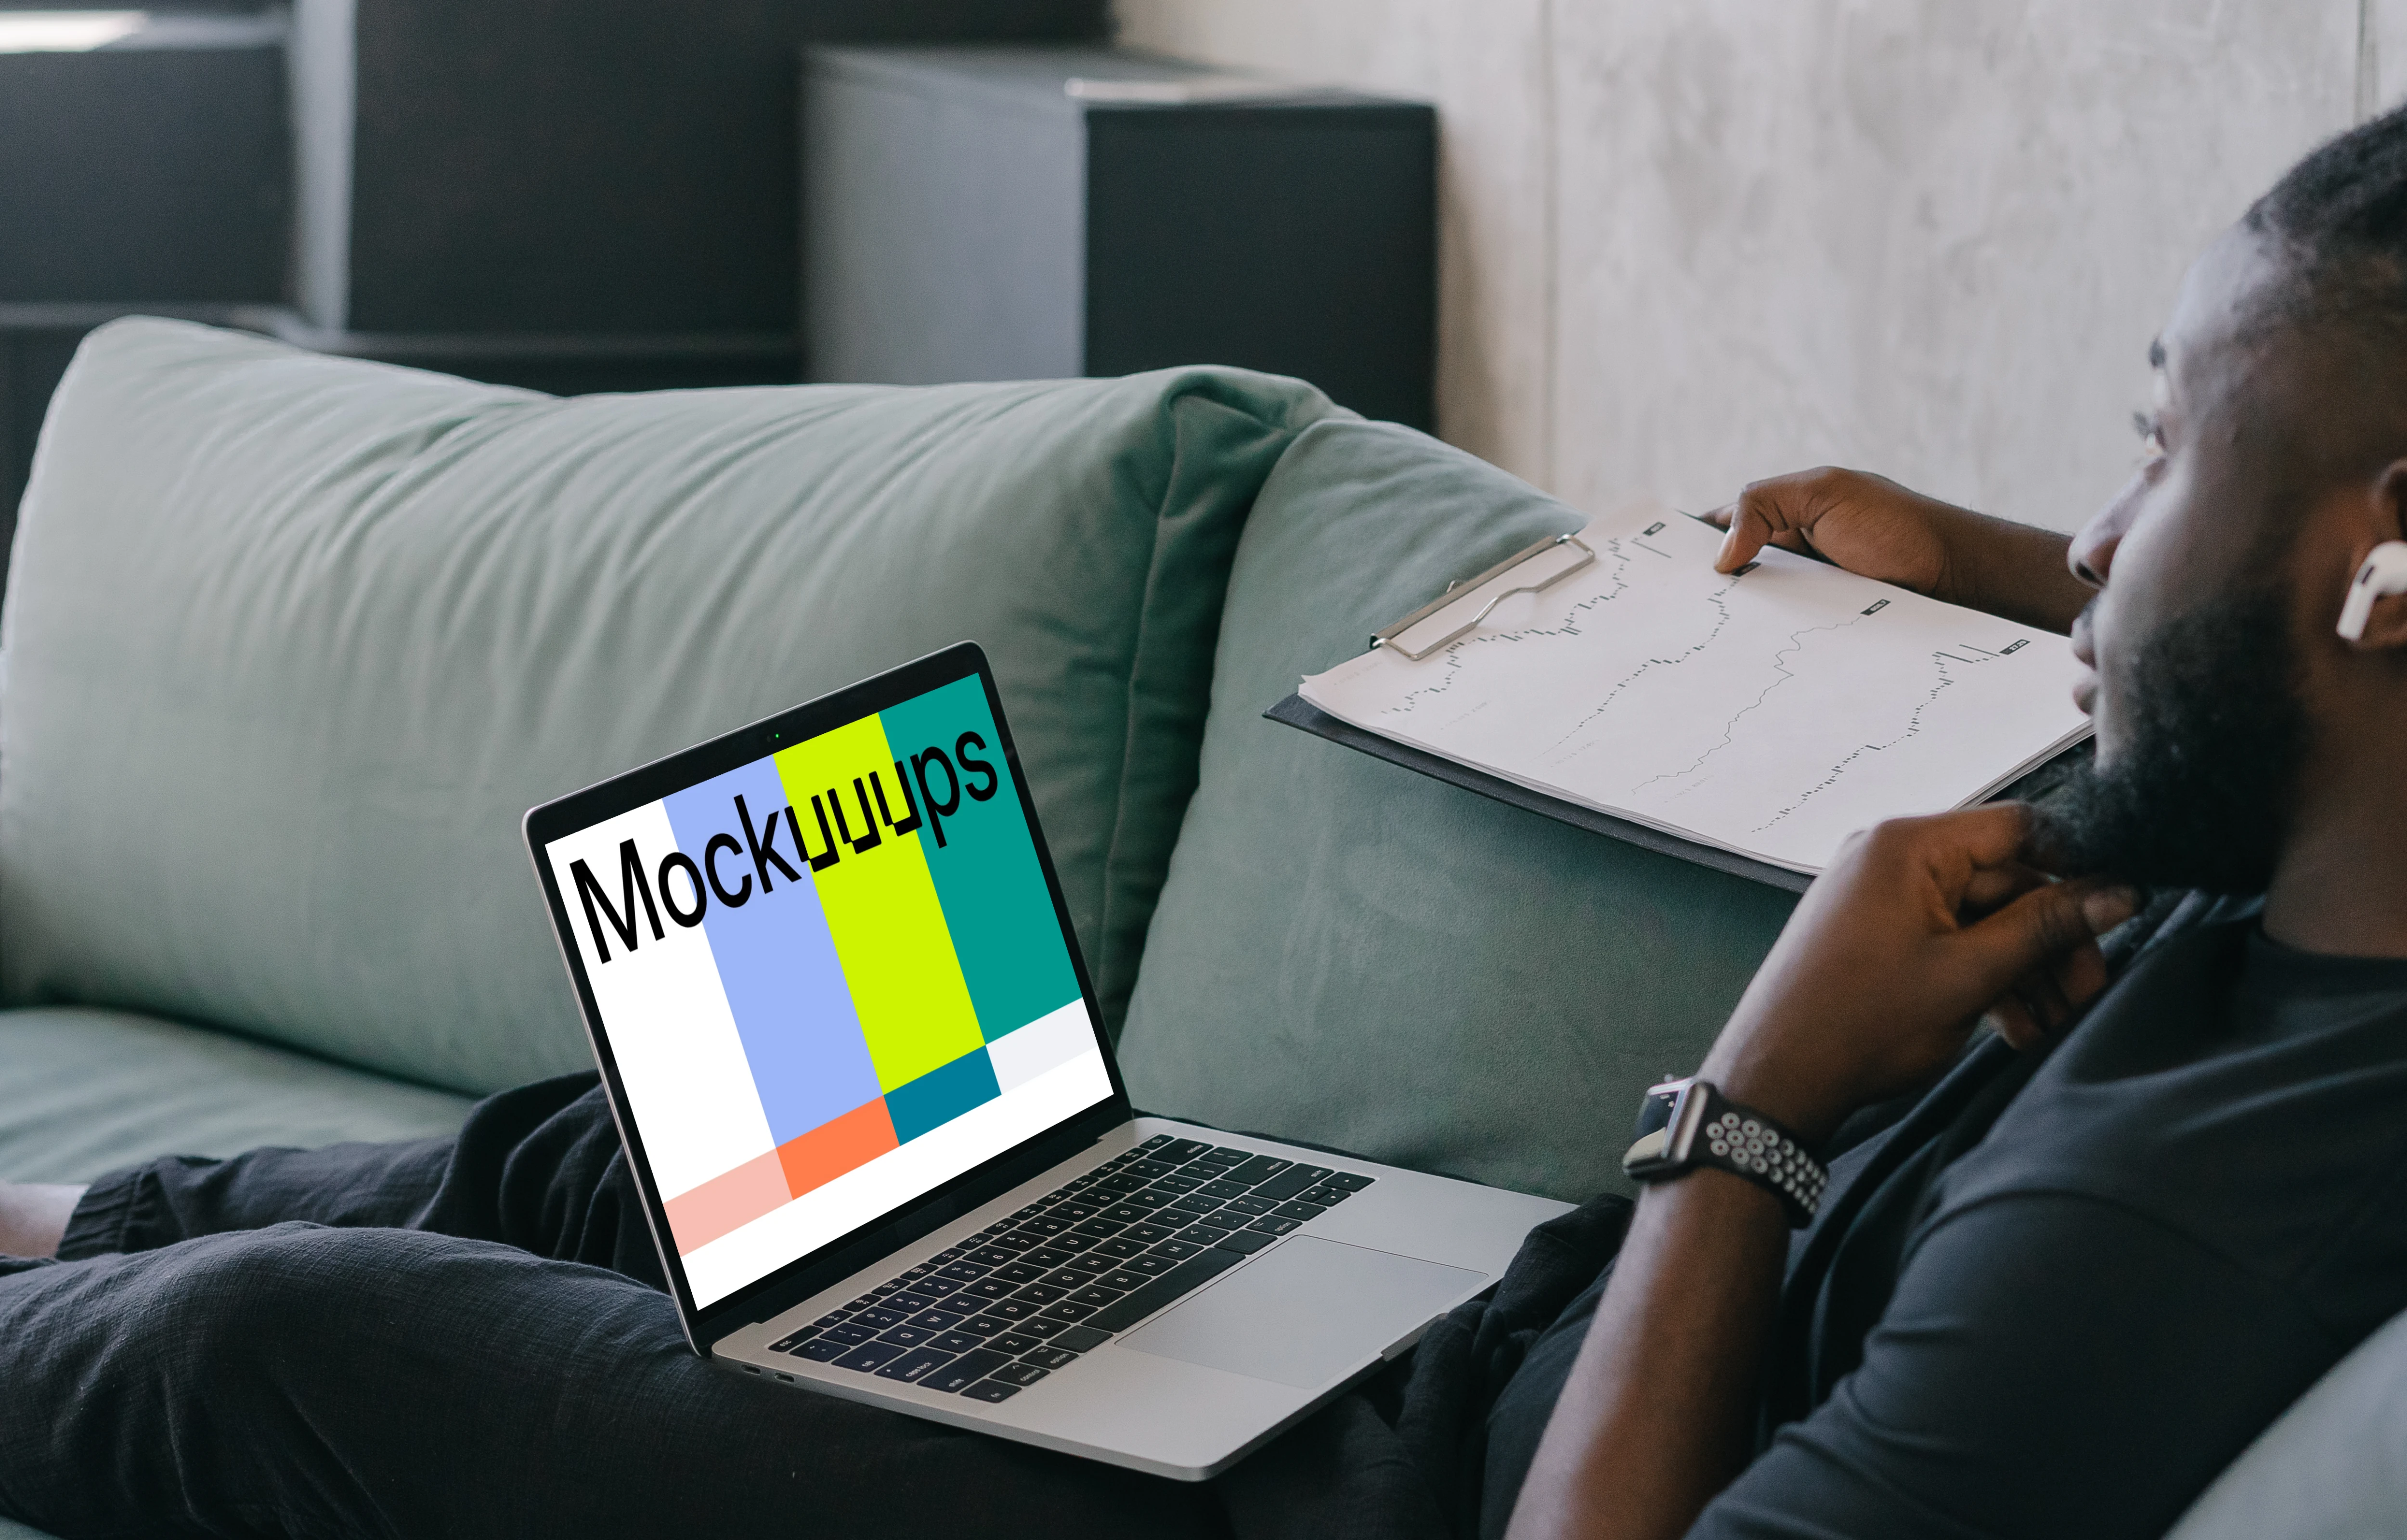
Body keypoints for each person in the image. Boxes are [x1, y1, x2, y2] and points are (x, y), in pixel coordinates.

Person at [8, 101, 2407, 1540]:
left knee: (275, 1345)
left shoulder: (2176, 1224)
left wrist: (1753, 1108)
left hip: (1263, 1507)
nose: (2098, 538)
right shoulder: (2275, 830)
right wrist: (1986, 555)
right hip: (1405, 1336)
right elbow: (2197, 625)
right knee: (641, 1157)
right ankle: (48, 1211)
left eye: (2158, 443)